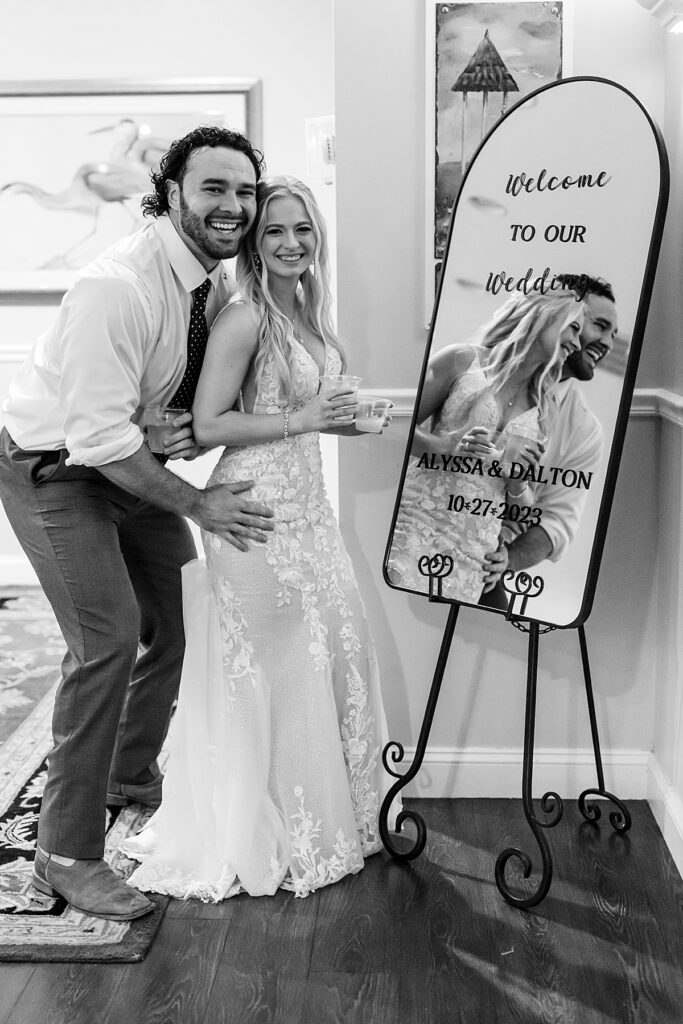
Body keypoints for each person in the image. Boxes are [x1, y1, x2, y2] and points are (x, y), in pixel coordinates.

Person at [0, 126, 275, 921]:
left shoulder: (215, 286)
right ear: (171, 193)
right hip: (54, 469)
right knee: (109, 637)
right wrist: (196, 501)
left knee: (176, 622)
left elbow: (169, 405)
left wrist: (177, 425)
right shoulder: (117, 285)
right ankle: (64, 853)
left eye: (244, 192)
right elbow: (97, 439)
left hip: (119, 464)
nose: (233, 206)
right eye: (214, 189)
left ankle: (126, 779)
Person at [121, 176, 395, 900]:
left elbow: (310, 410)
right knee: (273, 673)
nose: (290, 242)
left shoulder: (308, 311)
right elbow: (210, 425)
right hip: (255, 513)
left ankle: (336, 818)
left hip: (310, 508)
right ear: (252, 241)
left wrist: (366, 421)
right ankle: (264, 829)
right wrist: (304, 420)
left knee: (334, 650)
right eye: (273, 230)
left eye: (302, 228)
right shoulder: (243, 317)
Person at [385, 289, 584, 604]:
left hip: (475, 552)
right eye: (574, 327)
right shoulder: (461, 360)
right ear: (545, 315)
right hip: (420, 528)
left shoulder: (543, 407)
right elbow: (397, 428)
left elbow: (522, 506)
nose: (577, 342)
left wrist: (518, 480)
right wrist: (445, 448)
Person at [481, 277, 617, 608]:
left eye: (613, 334)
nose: (608, 343)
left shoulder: (584, 430)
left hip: (487, 562)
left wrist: (507, 559)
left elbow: (555, 521)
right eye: (599, 326)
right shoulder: (472, 368)